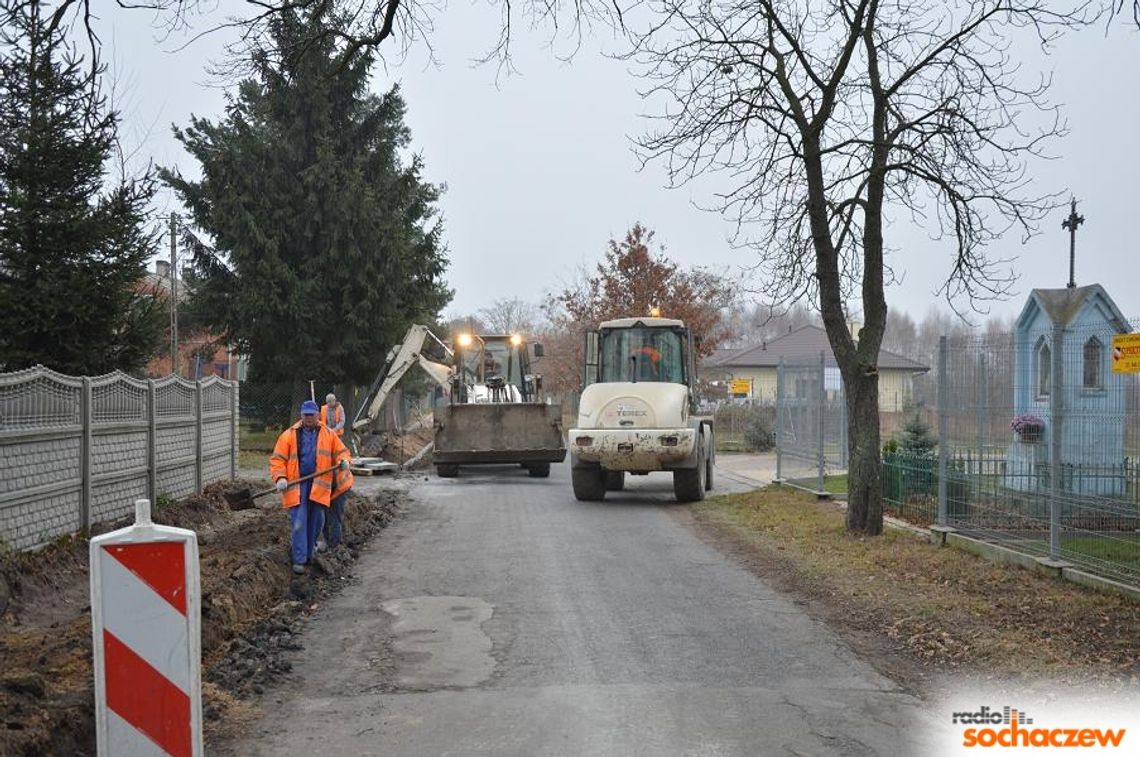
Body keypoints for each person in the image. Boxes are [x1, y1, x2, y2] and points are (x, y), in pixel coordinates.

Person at [269, 400, 352, 574]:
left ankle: (310, 554)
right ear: (301, 415)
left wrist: (344, 461)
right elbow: (278, 459)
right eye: (305, 415)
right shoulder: (289, 435)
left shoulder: (328, 434)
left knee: (317, 522)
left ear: (317, 415)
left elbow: (342, 452)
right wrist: (280, 477)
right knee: (299, 523)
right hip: (298, 486)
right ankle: (299, 560)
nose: (308, 418)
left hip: (318, 486)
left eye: (311, 415)